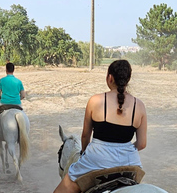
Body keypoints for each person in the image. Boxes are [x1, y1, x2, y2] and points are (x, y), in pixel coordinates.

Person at [53, 59, 147, 193]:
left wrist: (84, 153)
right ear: (128, 79)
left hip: (97, 159)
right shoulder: (140, 105)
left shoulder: (95, 101)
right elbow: (142, 144)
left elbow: (85, 135)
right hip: (130, 162)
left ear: (110, 78)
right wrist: (125, 149)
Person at [0, 62, 26, 134]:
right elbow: (23, 95)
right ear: (13, 70)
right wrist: (16, 99)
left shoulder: (2, 80)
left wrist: (2, 98)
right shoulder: (19, 81)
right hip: (17, 103)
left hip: (4, 103)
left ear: (6, 70)